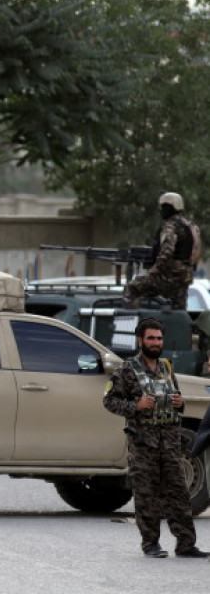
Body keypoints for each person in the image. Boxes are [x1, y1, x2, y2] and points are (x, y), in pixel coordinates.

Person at [103, 317, 209, 558]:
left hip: (170, 443)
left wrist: (180, 403)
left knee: (179, 493)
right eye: (151, 338)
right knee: (146, 495)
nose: (155, 342)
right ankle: (151, 544)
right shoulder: (127, 371)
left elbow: (175, 398)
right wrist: (135, 405)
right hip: (143, 444)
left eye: (159, 338)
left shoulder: (167, 368)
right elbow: (109, 401)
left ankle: (185, 544)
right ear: (140, 340)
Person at [124, 192, 198, 310]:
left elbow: (167, 251)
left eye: (163, 207)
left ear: (170, 207)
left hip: (168, 276)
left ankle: (129, 323)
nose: (161, 211)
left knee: (132, 288)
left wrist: (155, 269)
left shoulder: (171, 225)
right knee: (178, 309)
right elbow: (195, 252)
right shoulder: (191, 226)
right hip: (184, 277)